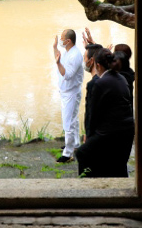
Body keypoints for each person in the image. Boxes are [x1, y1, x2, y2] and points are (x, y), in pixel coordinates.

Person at [74, 48, 135, 177]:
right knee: (117, 163)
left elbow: (93, 114)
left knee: (82, 153)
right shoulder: (122, 78)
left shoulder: (101, 83)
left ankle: (88, 185)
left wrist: (89, 137)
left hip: (111, 131)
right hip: (128, 129)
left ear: (98, 65)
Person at [53, 29, 84, 163]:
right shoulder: (67, 52)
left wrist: (58, 64)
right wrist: (54, 48)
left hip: (71, 93)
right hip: (66, 92)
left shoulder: (75, 55)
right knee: (73, 120)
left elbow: (67, 74)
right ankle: (75, 143)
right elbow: (57, 58)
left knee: (68, 123)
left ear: (68, 41)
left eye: (62, 39)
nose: (60, 40)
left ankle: (68, 153)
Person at [82, 43, 103, 145]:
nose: (83, 61)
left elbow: (91, 113)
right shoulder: (106, 78)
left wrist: (88, 134)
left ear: (91, 61)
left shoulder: (93, 84)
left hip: (96, 135)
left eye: (84, 58)